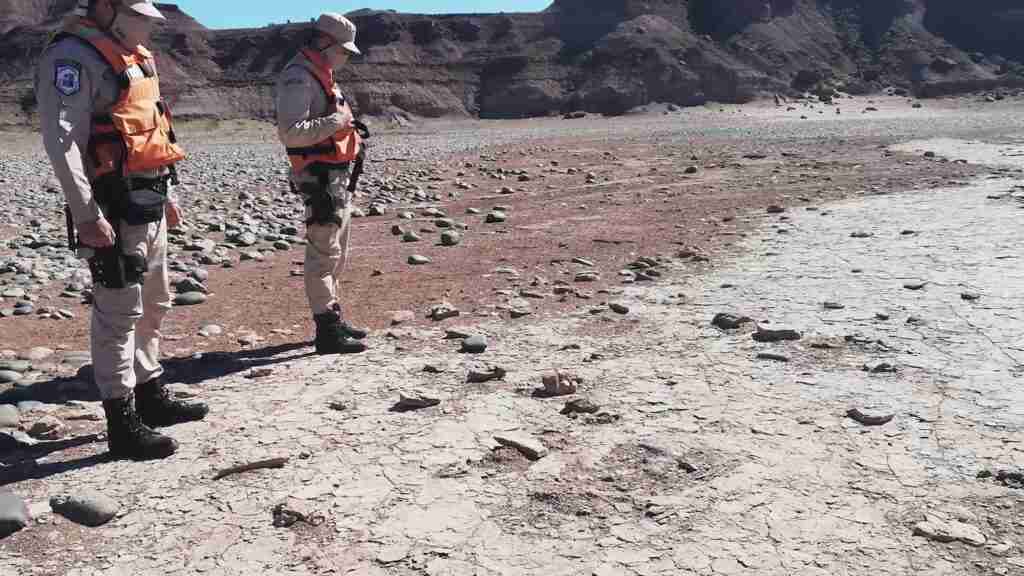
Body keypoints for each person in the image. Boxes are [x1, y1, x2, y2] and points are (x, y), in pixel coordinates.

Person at [37, 0, 208, 461]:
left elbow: (155, 128)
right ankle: (122, 419)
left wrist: (169, 193)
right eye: (139, 16)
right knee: (118, 313)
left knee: (155, 300)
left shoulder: (135, 56)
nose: (149, 24)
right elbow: (62, 141)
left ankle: (150, 392)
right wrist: (86, 213)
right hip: (111, 206)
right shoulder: (73, 57)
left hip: (149, 198)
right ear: (106, 8)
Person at [275, 13, 368, 355]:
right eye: (343, 51)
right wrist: (336, 122)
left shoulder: (322, 73)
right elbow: (291, 132)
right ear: (324, 42)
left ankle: (333, 316)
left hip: (335, 177)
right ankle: (326, 330)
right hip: (320, 178)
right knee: (323, 253)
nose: (345, 58)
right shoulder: (298, 77)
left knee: (336, 251)